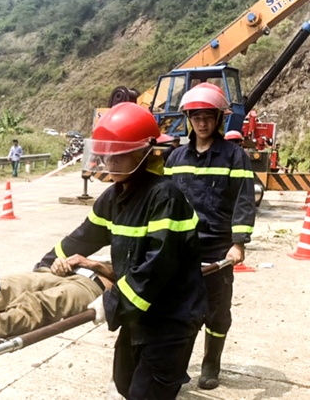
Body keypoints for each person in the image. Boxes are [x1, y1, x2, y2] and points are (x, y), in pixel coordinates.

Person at [61, 102, 206, 399]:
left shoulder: (165, 197)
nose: (111, 162)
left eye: (121, 154)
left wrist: (110, 303)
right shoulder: (113, 197)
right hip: (138, 315)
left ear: (146, 152)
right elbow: (81, 239)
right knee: (125, 382)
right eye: (107, 154)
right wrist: (48, 266)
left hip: (171, 317)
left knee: (147, 393)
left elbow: (157, 269)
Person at [164, 83, 255, 390]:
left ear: (219, 118)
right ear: (189, 119)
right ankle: (178, 366)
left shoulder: (234, 156)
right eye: (196, 116)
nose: (202, 123)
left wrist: (238, 242)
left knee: (217, 311)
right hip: (182, 247)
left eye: (208, 116)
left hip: (218, 247)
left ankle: (211, 363)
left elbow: (244, 197)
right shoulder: (176, 157)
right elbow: (164, 202)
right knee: (182, 310)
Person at [0, 254, 112, 345]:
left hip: (93, 286)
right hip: (63, 272)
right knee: (7, 285)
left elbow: (133, 278)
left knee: (42, 304)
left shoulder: (136, 249)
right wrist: (60, 263)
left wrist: (94, 264)